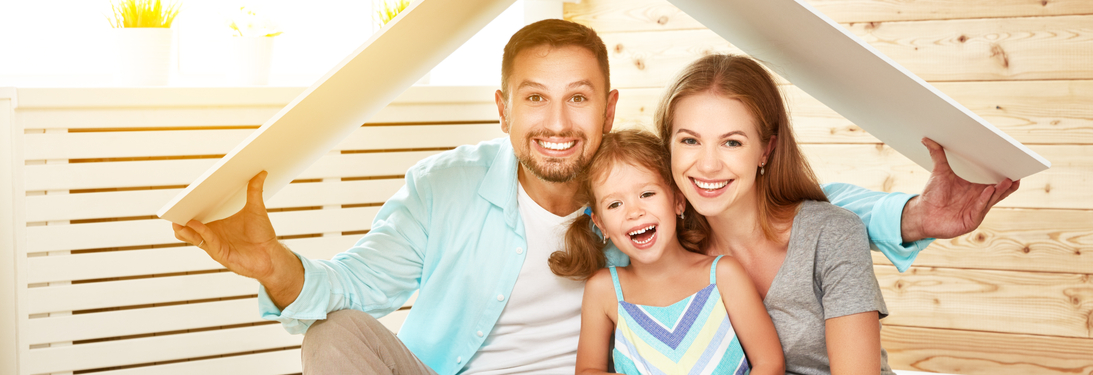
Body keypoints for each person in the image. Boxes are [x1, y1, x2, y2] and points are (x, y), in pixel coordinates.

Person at [168, 19, 1015, 375]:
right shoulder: (446, 185)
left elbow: (786, 202)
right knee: (333, 338)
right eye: (534, 97)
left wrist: (910, 217)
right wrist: (275, 264)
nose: (557, 121)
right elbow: (354, 287)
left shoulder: (638, 189)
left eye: (578, 97)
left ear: (609, 109)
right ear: (502, 108)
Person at [653, 54, 1019, 374]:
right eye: (689, 140)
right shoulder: (664, 250)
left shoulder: (831, 234)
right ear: (667, 145)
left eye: (732, 142)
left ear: (766, 150)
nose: (708, 164)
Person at [551, 130, 783, 375]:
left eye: (647, 194)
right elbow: (588, 370)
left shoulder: (723, 275)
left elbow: (770, 363)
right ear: (601, 225)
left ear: (678, 201)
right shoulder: (604, 289)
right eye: (614, 204)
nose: (634, 211)